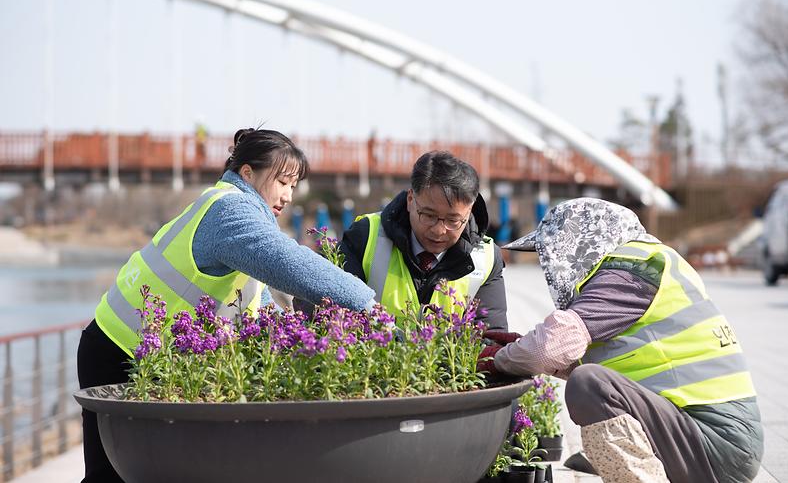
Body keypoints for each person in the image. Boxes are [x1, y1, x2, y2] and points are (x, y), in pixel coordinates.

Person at [76, 128, 376, 483]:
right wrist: (368, 306)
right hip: (119, 352)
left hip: (139, 353)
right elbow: (293, 264)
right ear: (247, 173)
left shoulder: (236, 215)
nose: (288, 196)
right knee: (112, 477)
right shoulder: (230, 211)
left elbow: (260, 307)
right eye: (282, 181)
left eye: (294, 186)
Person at [480, 198, 763, 483]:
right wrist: (519, 347)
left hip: (715, 443)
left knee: (589, 384)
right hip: (718, 437)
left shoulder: (633, 271)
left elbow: (549, 348)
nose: (548, 265)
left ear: (578, 243)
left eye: (550, 254)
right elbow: (583, 357)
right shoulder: (649, 261)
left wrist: (495, 360)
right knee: (590, 379)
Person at [338, 150, 508, 329]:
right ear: (411, 199)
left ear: (470, 211)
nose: (439, 230)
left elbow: (491, 338)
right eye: (428, 215)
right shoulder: (366, 236)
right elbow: (335, 317)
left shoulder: (486, 259)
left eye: (453, 220)